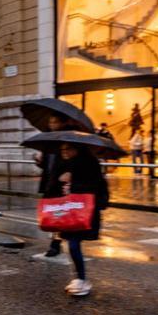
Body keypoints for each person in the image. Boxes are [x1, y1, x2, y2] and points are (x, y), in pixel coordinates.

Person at [43, 142, 108, 297]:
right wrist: (60, 182)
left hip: (82, 210)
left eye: (68, 148)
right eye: (62, 149)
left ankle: (81, 279)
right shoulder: (63, 163)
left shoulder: (90, 163)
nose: (64, 151)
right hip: (66, 210)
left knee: (73, 244)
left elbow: (97, 186)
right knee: (71, 244)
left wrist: (74, 185)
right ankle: (79, 278)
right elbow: (52, 184)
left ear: (77, 149)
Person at [35, 112, 80, 258]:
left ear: (62, 123)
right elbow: (46, 165)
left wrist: (69, 173)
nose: (52, 125)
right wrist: (39, 160)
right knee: (52, 215)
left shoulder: (67, 140)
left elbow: (72, 161)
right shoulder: (48, 140)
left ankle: (55, 244)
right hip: (49, 182)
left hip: (61, 184)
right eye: (50, 122)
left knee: (59, 215)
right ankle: (57, 241)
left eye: (55, 122)